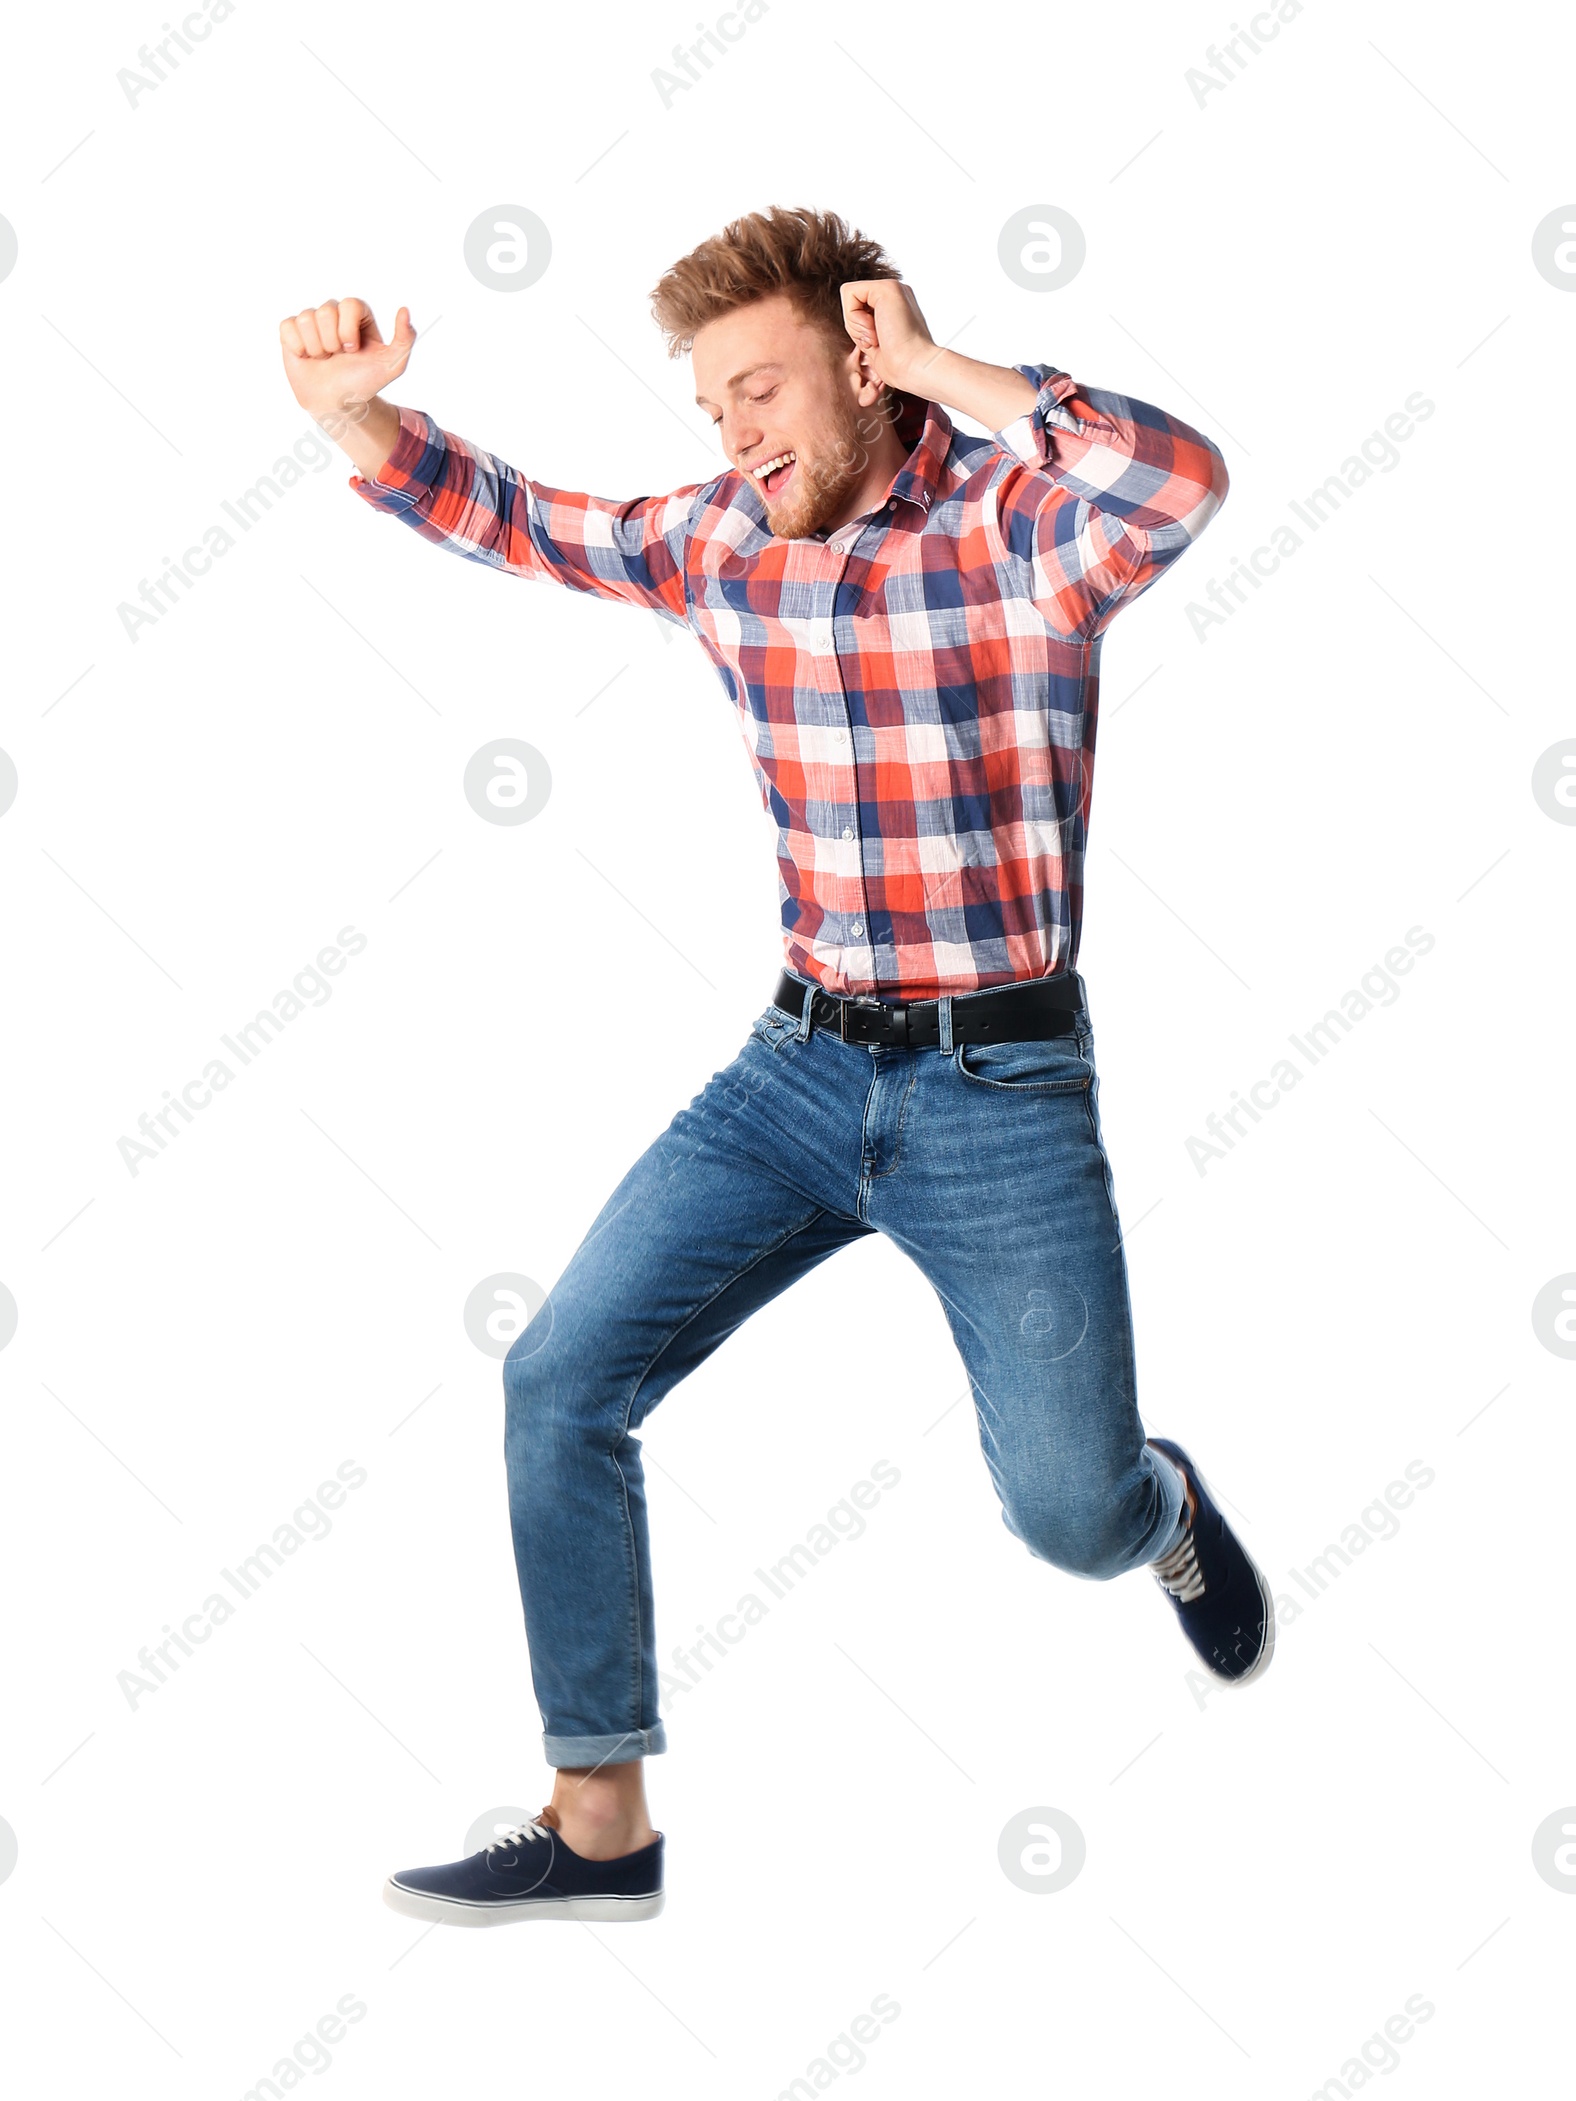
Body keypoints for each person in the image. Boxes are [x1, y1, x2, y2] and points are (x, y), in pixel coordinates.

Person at [279, 204, 1272, 1930]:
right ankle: (601, 1825)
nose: (736, 436)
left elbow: (1181, 483)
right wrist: (358, 419)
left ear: (867, 362)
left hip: (1004, 1098)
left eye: (762, 390)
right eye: (711, 408)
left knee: (1065, 1512)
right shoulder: (728, 538)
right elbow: (527, 519)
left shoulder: (1025, 528)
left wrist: (962, 369)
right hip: (797, 1073)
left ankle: (1159, 1505)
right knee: (557, 1379)